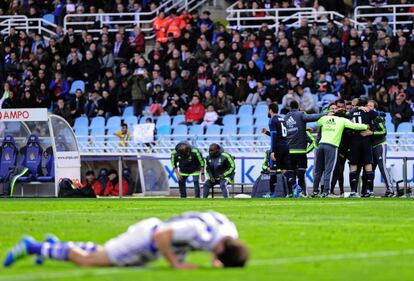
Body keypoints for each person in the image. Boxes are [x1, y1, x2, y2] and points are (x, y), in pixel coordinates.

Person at [4, 211, 249, 269]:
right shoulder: (199, 231)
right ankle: (33, 246)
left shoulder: (229, 232)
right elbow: (161, 235)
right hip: (148, 238)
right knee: (89, 262)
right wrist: (175, 263)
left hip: (154, 239)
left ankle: (54, 244)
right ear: (220, 249)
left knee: (103, 254)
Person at [312, 108, 368, 197]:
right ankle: (326, 192)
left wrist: (327, 114)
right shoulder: (343, 120)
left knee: (318, 170)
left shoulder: (325, 118)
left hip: (321, 145)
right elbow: (354, 126)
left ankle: (315, 191)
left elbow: (318, 122)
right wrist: (366, 126)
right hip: (332, 146)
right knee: (328, 170)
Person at [283, 101, 325, 196]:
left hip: (289, 151)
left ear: (289, 108)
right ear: (298, 107)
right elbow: (313, 117)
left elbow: (283, 134)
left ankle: (290, 193)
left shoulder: (285, 118)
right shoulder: (301, 114)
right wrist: (325, 114)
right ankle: (301, 192)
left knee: (290, 173)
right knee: (301, 173)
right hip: (301, 151)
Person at [348, 99, 381, 197]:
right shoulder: (369, 112)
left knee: (353, 165)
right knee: (368, 164)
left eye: (354, 105)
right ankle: (370, 191)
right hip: (365, 140)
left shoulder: (350, 113)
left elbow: (343, 114)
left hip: (353, 140)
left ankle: (353, 191)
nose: (352, 106)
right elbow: (382, 115)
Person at [365, 100, 394, 197]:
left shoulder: (378, 117)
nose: (368, 107)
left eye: (371, 106)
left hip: (380, 144)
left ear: (374, 108)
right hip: (371, 146)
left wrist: (372, 133)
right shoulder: (366, 117)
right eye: (367, 105)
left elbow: (384, 131)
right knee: (370, 169)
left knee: (382, 167)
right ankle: (370, 190)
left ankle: (390, 189)